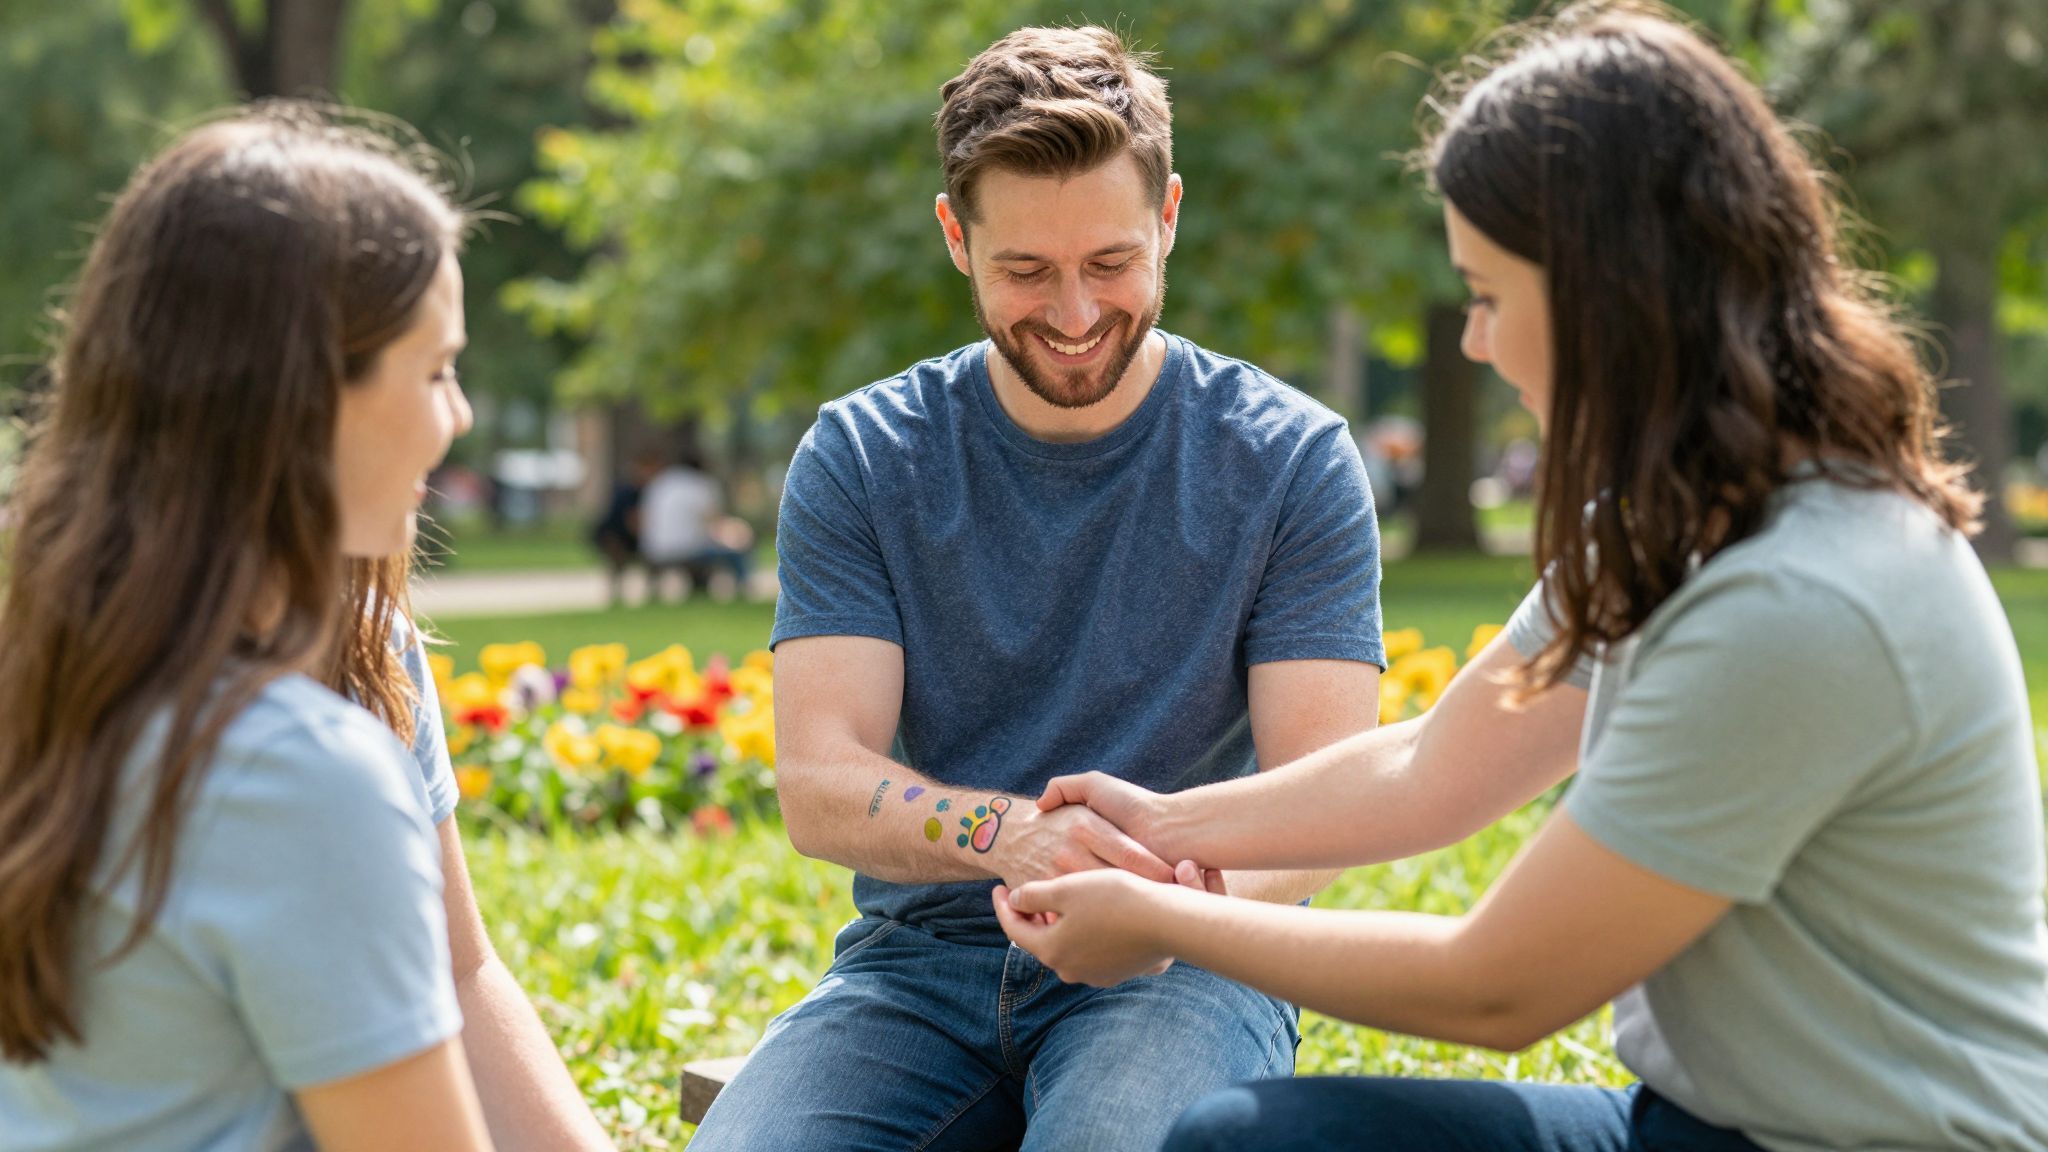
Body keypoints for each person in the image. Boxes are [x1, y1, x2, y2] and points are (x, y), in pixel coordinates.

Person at [991, 7, 2048, 1150]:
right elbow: (1426, 766)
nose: (1472, 344)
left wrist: (1159, 919)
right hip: (1701, 1122)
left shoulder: (1801, 596)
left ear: (1607, 293)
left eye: (1487, 294)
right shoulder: (1671, 515)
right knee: (1249, 1140)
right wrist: (1163, 818)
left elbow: (1496, 989)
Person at [687, 25, 1385, 1152]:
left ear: (1166, 220)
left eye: (1109, 263)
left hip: (1186, 967)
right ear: (955, 238)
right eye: (1024, 270)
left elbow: (1322, 803)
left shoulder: (1290, 458)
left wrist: (1150, 913)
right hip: (916, 973)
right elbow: (818, 783)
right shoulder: (862, 454)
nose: (1071, 316)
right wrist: (1016, 838)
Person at [0, 107, 611, 1152]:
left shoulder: (58, 653)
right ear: (300, 401)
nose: (456, 416)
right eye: (433, 371)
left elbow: (459, 971)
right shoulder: (300, 774)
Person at [638, 446, 751, 601]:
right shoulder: (703, 484)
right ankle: (743, 590)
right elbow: (716, 523)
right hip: (689, 550)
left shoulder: (660, 482)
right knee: (735, 554)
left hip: (654, 549)